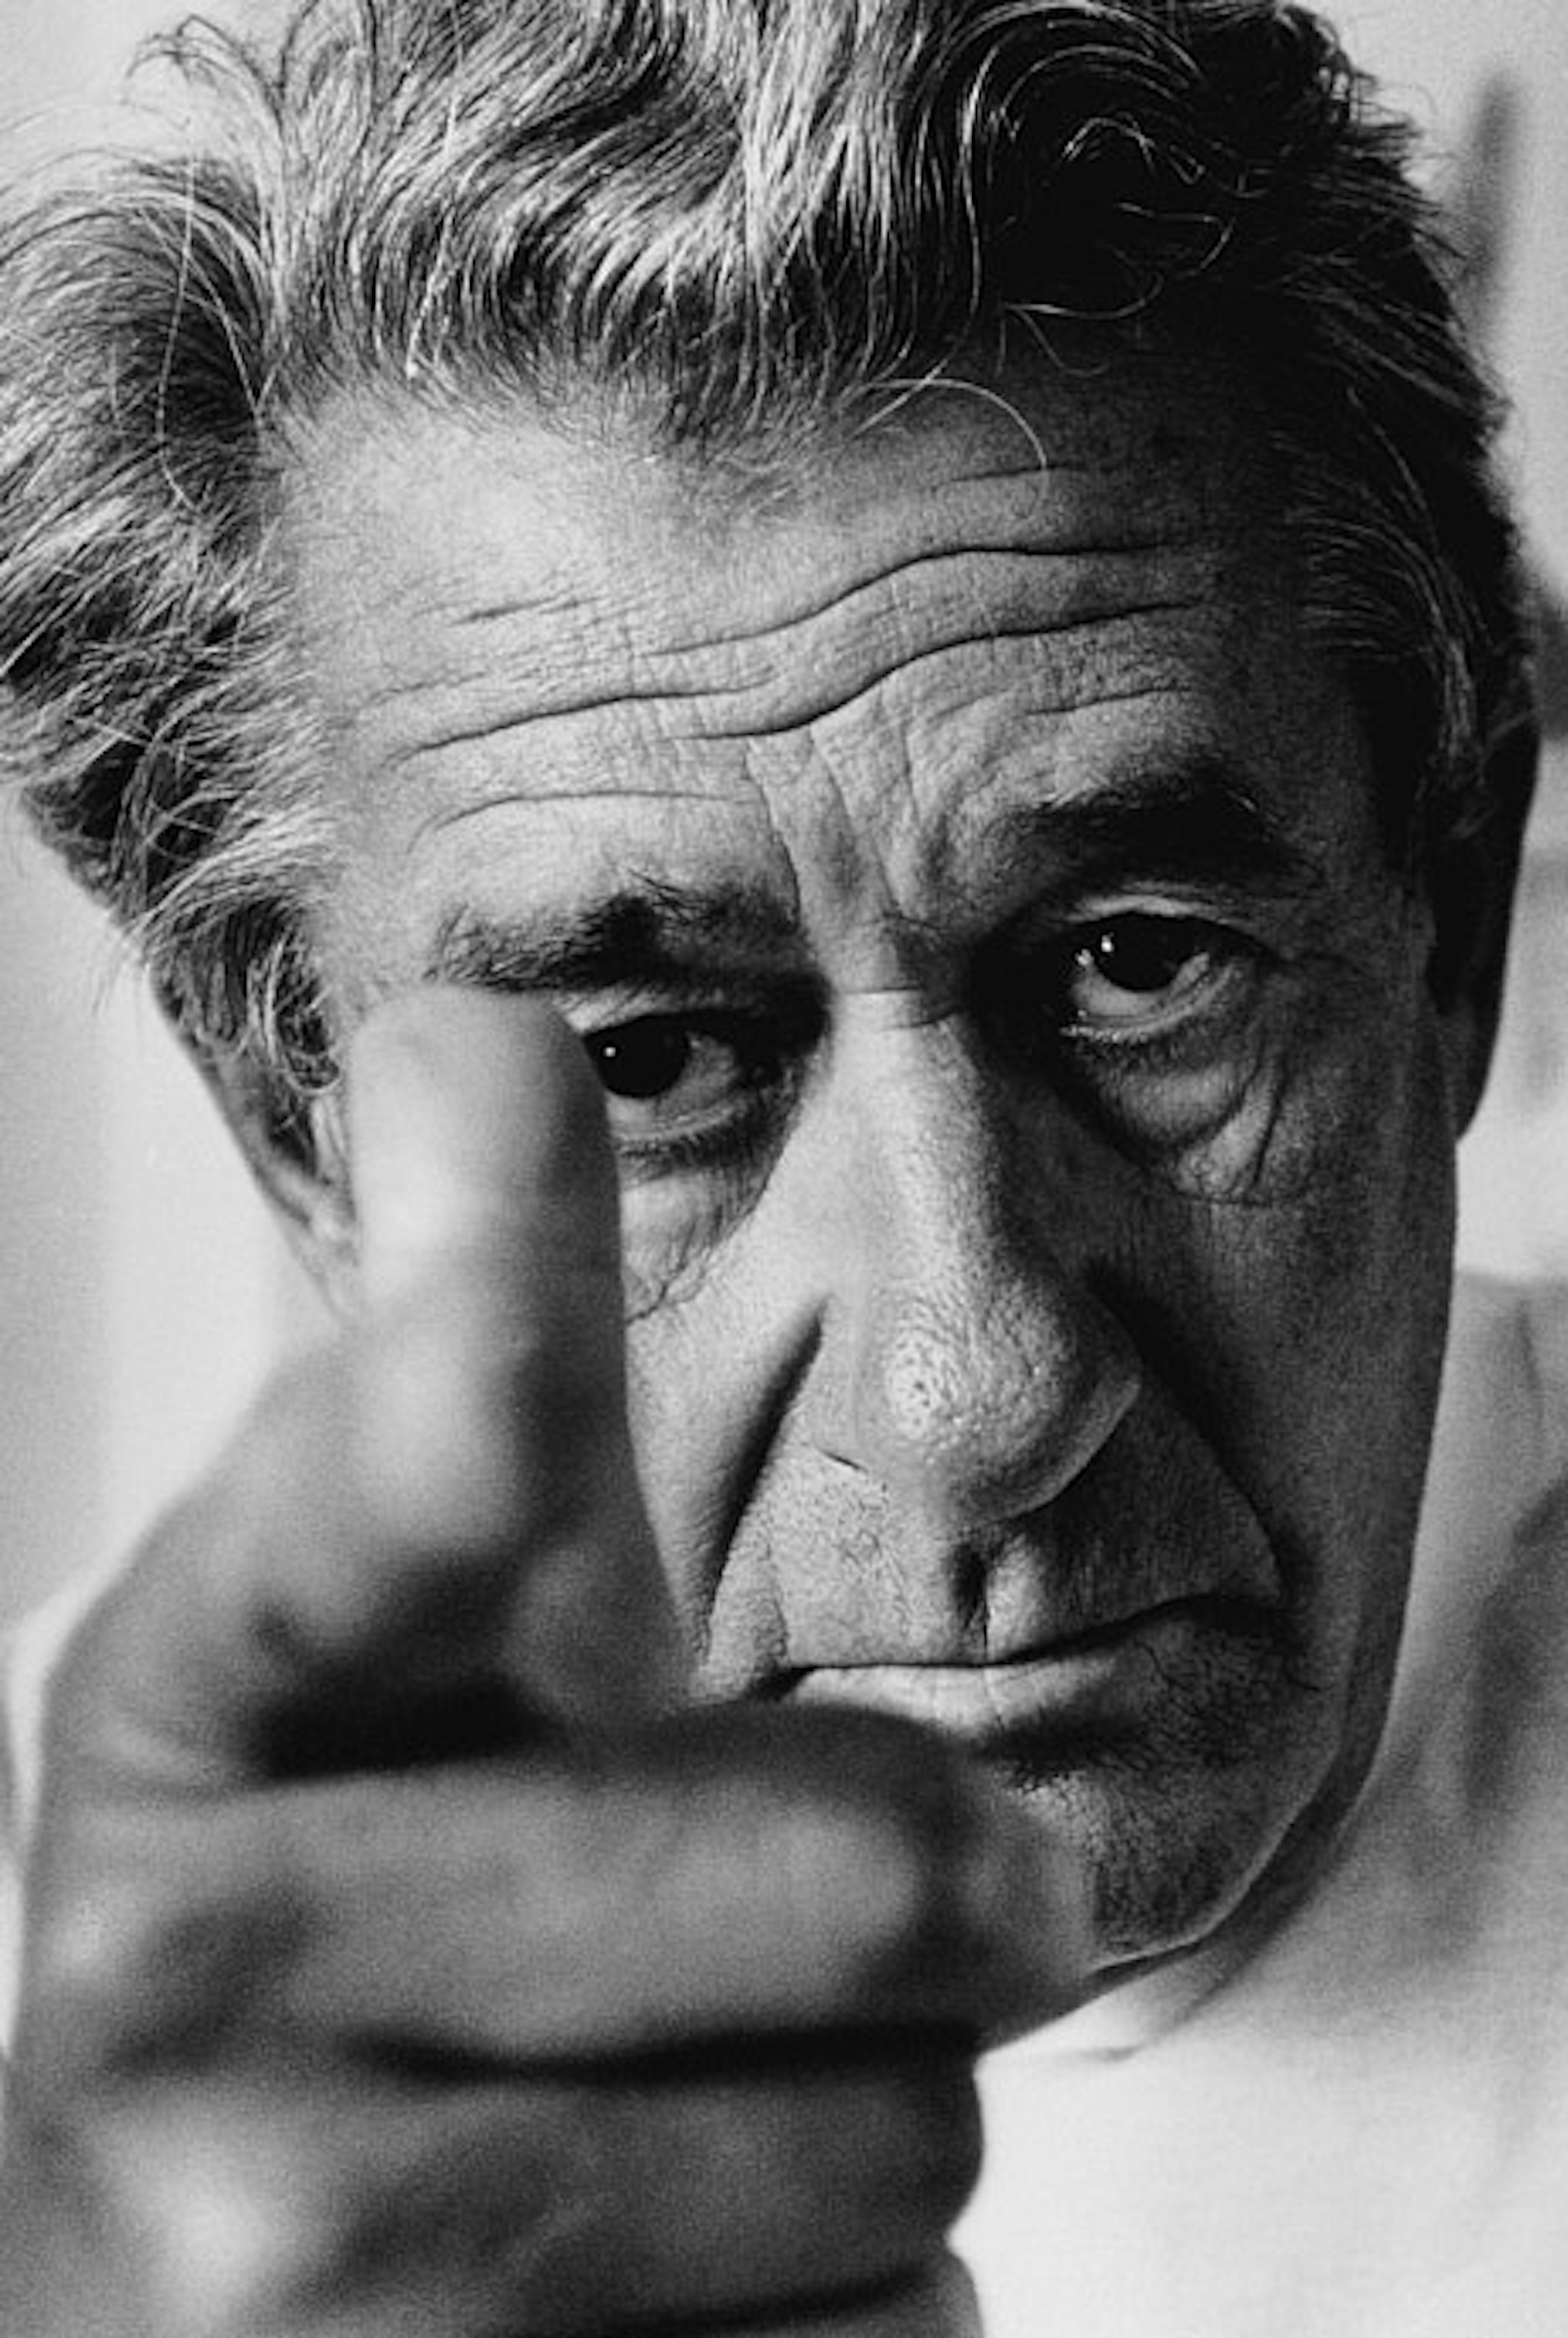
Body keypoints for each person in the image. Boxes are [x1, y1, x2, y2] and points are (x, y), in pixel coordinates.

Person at [0, 0, 1557, 2330]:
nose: (981, 1395)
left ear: (1449, 938)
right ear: (299, 1136)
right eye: (650, 1062)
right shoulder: (64, 2039)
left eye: (1141, 962)